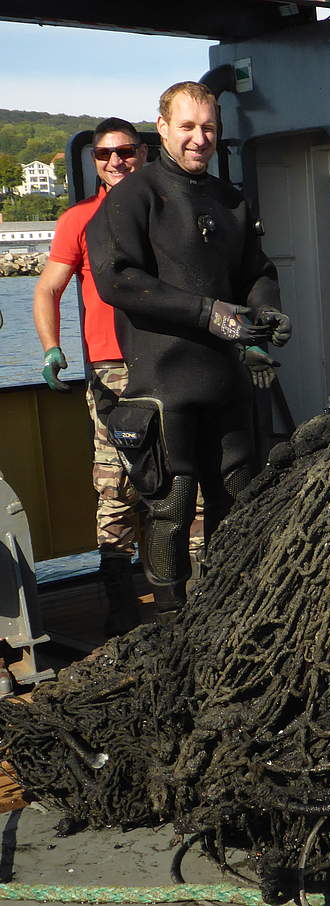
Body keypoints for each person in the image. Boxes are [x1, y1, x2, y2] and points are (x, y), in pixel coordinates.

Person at [87, 82, 291, 616]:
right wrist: (208, 313)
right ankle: (168, 621)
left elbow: (257, 271)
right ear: (162, 128)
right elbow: (118, 282)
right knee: (170, 511)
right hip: (163, 386)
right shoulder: (133, 196)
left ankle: (232, 613)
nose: (199, 138)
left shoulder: (230, 200)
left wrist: (263, 309)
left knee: (238, 500)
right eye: (188, 127)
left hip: (226, 386)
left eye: (209, 128)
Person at [32, 117, 163, 635]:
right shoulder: (78, 221)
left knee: (178, 481)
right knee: (115, 488)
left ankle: (183, 594)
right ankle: (121, 609)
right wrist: (50, 349)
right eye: (105, 154)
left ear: (144, 154)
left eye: (126, 151)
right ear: (94, 161)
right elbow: (47, 289)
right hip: (109, 373)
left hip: (167, 363)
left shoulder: (166, 212)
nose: (116, 161)